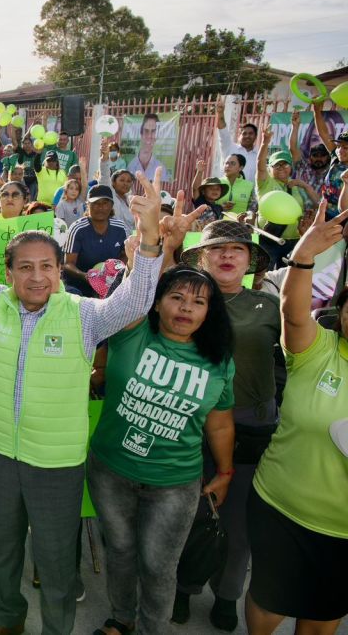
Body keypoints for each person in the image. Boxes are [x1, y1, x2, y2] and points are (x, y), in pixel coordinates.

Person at [0, 159, 167, 635]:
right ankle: (7, 620)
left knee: (57, 564)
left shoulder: (84, 316)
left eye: (46, 267)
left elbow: (137, 301)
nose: (36, 277)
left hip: (55, 463)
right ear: (9, 272)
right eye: (25, 268)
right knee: (3, 549)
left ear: (60, 270)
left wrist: (151, 234)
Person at [87, 264, 236, 635]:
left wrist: (225, 472)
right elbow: (137, 284)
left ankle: (154, 628)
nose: (186, 308)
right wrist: (163, 245)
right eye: (176, 297)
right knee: (119, 552)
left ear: (209, 312)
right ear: (155, 304)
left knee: (158, 565)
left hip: (175, 482)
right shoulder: (131, 333)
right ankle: (122, 618)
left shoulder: (219, 362)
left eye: (198, 302)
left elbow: (219, 423)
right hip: (110, 471)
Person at [246, 200, 348, 634]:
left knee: (321, 618)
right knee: (269, 606)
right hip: (280, 506)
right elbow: (292, 311)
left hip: (343, 533)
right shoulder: (318, 348)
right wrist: (303, 257)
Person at [174, 220, 280, 631]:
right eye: (217, 249)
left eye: (237, 249)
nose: (227, 255)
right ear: (202, 257)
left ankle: (228, 594)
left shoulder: (270, 306)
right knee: (186, 513)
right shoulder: (181, 301)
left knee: (238, 524)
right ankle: (183, 587)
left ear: (249, 260)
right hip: (190, 420)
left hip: (250, 425)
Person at [255, 130, 320, 265]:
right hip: (269, 239)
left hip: (294, 240)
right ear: (270, 167)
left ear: (290, 167)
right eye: (277, 165)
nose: (281, 168)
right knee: (262, 277)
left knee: (286, 279)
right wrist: (264, 143)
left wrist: (305, 186)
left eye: (285, 164)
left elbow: (318, 204)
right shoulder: (266, 182)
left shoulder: (296, 184)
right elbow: (260, 165)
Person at [63, 185, 129, 297]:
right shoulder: (77, 228)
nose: (100, 207)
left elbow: (125, 255)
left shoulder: (121, 228)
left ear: (112, 205)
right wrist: (87, 277)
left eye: (105, 203)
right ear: (87, 205)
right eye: (95, 203)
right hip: (79, 286)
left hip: (110, 285)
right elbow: (68, 264)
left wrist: (115, 273)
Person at [216, 96, 260, 182]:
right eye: (244, 133)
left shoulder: (259, 155)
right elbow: (222, 131)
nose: (247, 136)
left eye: (251, 134)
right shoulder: (230, 147)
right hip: (226, 190)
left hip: (248, 194)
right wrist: (220, 113)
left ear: (255, 136)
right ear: (239, 135)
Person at [127, 113, 170, 182]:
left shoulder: (161, 168)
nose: (149, 136)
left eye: (153, 131)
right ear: (141, 134)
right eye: (146, 131)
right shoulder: (131, 166)